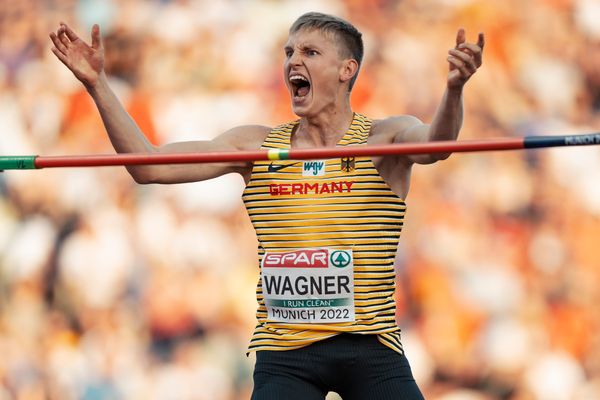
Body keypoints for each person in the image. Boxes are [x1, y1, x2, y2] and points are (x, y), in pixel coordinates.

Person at [50, 11, 484, 400]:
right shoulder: (256, 145)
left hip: (370, 347)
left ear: (346, 70)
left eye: (310, 52)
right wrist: (97, 85)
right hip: (286, 354)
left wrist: (454, 88)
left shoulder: (386, 138)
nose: (293, 61)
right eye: (289, 51)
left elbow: (437, 144)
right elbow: (148, 167)